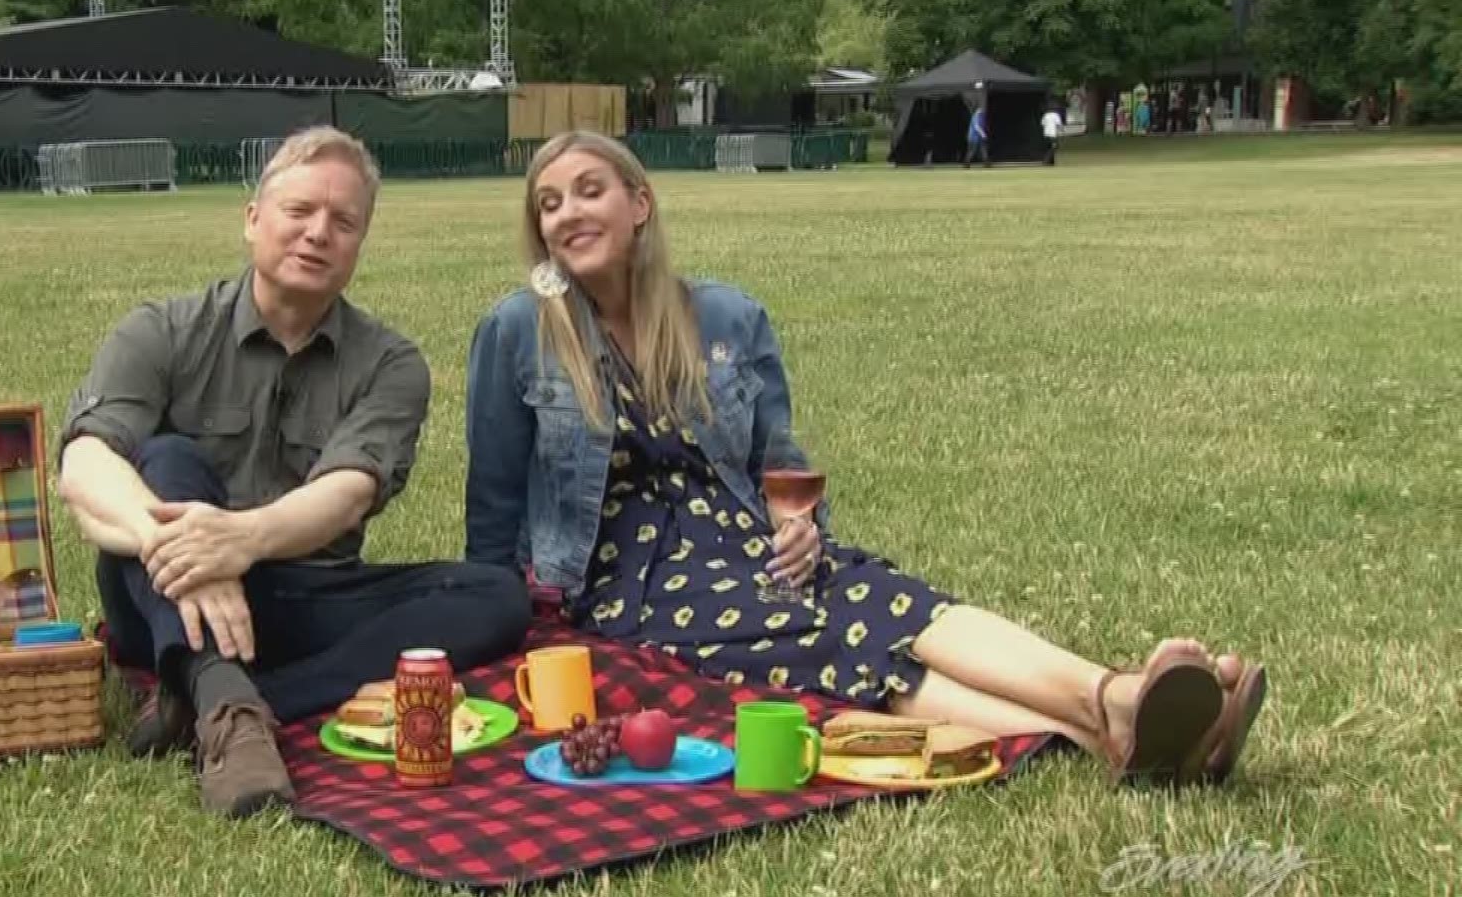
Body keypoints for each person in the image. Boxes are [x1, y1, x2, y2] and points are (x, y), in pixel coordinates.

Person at [462, 130, 1268, 788]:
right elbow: (495, 499)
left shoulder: (727, 317)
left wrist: (800, 522)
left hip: (746, 538)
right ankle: (1123, 715)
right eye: (549, 204)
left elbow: (781, 464)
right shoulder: (517, 333)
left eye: (589, 190)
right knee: (823, 636)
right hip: (627, 579)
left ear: (641, 203)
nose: (567, 213)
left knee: (892, 598)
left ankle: (1114, 701)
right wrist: (490, 635)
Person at [59, 126, 530, 817]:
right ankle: (230, 712)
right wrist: (180, 544)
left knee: (495, 595)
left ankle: (225, 696)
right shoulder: (162, 330)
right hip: (159, 592)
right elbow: (83, 464)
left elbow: (348, 495)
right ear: (253, 219)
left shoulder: (391, 364)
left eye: (343, 222)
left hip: (303, 594)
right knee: (163, 460)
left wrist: (243, 539)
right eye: (299, 211)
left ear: (360, 244)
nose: (318, 234)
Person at [964, 101, 990, 168]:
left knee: (983, 149)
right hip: (974, 137)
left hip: (977, 137)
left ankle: (986, 163)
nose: (982, 109)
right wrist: (983, 134)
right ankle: (967, 164)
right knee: (972, 150)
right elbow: (977, 126)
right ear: (977, 109)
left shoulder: (978, 116)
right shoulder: (976, 116)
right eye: (980, 108)